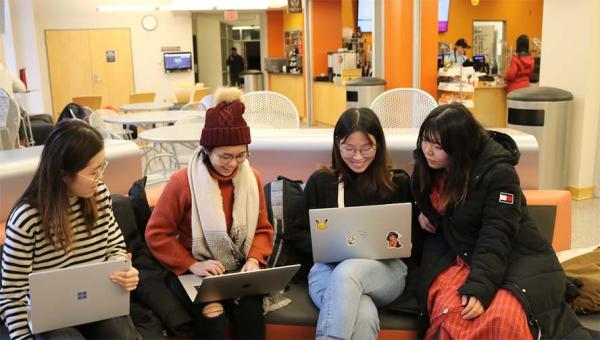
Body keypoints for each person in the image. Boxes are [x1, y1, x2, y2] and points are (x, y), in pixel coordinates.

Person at [411, 103, 591, 339]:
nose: (428, 151)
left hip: (514, 254)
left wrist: (479, 288)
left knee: (502, 316)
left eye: (438, 146)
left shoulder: (499, 174)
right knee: (451, 312)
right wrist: (425, 213)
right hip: (458, 255)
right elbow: (425, 199)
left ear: (460, 148)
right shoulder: (427, 168)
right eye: (425, 140)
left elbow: (497, 234)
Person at [145, 87, 273, 339]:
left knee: (250, 310)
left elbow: (262, 229)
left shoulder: (252, 177)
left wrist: (253, 260)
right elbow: (157, 233)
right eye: (225, 156)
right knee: (213, 312)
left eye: (241, 155)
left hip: (237, 270)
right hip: (192, 272)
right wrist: (192, 264)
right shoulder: (182, 181)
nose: (233, 164)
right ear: (206, 151)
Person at [0, 120, 139, 340]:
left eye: (102, 167)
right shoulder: (27, 218)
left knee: (120, 333)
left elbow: (115, 246)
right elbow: (11, 295)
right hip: (50, 318)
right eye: (94, 171)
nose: (100, 177)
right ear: (64, 174)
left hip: (96, 303)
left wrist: (123, 270)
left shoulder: (99, 195)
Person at [293, 108, 411, 340]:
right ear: (337, 145)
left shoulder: (396, 182)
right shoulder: (321, 182)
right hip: (327, 270)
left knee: (348, 272)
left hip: (385, 271)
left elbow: (410, 240)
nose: (358, 156)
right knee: (364, 314)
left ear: (379, 145)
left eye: (366, 148)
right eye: (349, 149)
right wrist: (329, 247)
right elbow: (298, 233)